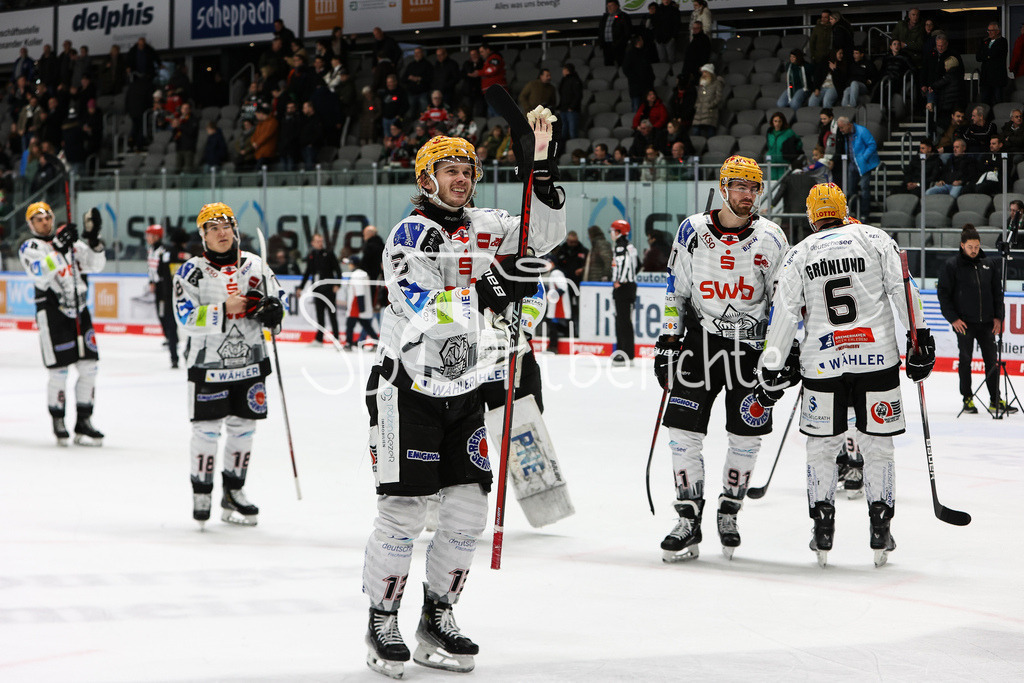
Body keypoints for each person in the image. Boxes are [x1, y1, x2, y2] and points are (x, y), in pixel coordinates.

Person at [361, 124, 565, 677]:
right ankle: (383, 618)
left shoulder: (487, 224)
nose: (461, 177)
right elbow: (426, 307)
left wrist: (540, 173)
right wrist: (496, 288)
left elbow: (539, 238)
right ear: (426, 178)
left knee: (467, 510)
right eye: (449, 169)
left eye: (468, 169)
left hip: (465, 387)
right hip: (406, 390)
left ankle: (438, 614)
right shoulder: (410, 234)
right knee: (403, 510)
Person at [756, 182, 936, 568]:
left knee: (821, 448)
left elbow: (783, 313)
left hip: (823, 365)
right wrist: (919, 338)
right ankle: (880, 527)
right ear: (844, 208)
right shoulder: (874, 238)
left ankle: (822, 526)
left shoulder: (799, 253)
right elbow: (903, 289)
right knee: (878, 447)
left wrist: (772, 365)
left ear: (810, 215)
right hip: (878, 361)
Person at [654, 155, 790, 562]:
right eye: (740, 187)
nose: (748, 195)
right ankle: (687, 517)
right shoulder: (692, 230)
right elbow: (675, 291)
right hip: (701, 344)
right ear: (724, 187)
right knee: (682, 434)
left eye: (754, 188)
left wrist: (781, 352)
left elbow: (782, 304)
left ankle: (729, 510)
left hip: (750, 351)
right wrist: (666, 340)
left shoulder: (772, 237)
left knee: (746, 436)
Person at [173, 202, 286, 529]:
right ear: (203, 235)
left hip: (250, 364)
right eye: (213, 228)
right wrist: (226, 307)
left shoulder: (256, 265)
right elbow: (185, 318)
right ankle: (202, 491)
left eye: (226, 226)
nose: (221, 233)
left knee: (244, 430)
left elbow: (278, 305)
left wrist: (274, 313)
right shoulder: (190, 271)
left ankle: (234, 491)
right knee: (206, 432)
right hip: (208, 365)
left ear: (235, 229)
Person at [19, 202, 107, 446]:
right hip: (52, 313)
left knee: (90, 367)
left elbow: (95, 265)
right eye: (38, 219)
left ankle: (84, 420)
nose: (44, 222)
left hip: (80, 311)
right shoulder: (30, 247)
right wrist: (57, 249)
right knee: (59, 370)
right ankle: (58, 419)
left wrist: (93, 240)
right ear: (31, 224)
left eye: (47, 217)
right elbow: (39, 273)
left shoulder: (69, 242)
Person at [937, 224, 1016, 415]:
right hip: (964, 324)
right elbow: (944, 295)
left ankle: (995, 399)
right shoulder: (952, 266)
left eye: (977, 246)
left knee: (992, 361)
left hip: (988, 323)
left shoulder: (988, 264)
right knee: (965, 360)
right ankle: (967, 399)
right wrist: (953, 319)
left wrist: (999, 318)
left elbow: (998, 294)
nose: (974, 250)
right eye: (970, 246)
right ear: (962, 245)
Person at [298, 232, 342, 346]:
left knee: (332, 314)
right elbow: (308, 272)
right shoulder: (312, 255)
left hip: (329, 289)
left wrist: (338, 284)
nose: (319, 243)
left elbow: (338, 270)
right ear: (312, 243)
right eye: (317, 241)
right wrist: (301, 287)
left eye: (321, 241)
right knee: (320, 315)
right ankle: (319, 339)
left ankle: (336, 338)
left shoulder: (329, 254)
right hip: (317, 289)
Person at [146, 224, 180, 368]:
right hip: (157, 286)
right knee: (160, 314)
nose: (147, 237)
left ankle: (172, 338)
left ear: (156, 236)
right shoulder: (151, 250)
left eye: (149, 235)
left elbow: (165, 270)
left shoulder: (164, 251)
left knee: (166, 316)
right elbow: (151, 269)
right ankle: (170, 337)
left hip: (165, 288)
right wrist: (151, 281)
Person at [837, 116, 879, 217]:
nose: (841, 130)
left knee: (864, 188)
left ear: (848, 125)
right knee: (851, 189)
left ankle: (865, 213)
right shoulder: (844, 134)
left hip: (864, 164)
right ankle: (854, 212)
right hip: (852, 164)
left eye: (842, 127)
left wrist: (864, 157)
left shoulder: (862, 131)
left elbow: (872, 145)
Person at [610, 220, 638, 366]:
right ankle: (626, 351)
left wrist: (619, 281)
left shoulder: (621, 247)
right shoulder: (630, 247)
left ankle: (624, 352)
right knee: (624, 320)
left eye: (613, 230)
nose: (611, 234)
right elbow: (637, 264)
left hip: (623, 288)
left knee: (623, 321)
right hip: (630, 287)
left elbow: (623, 264)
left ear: (619, 232)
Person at [340, 255, 379, 350]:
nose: (348, 265)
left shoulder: (357, 275)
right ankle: (376, 343)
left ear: (353, 264)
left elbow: (359, 291)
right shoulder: (361, 274)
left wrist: (361, 307)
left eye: (349, 263)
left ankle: (348, 344)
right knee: (366, 326)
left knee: (350, 325)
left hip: (356, 306)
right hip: (359, 305)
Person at [977, 22, 1009, 106]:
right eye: (988, 30)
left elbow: (994, 54)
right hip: (985, 78)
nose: (989, 32)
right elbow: (978, 57)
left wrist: (987, 55)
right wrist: (987, 56)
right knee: (984, 102)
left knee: (998, 100)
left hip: (997, 78)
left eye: (992, 30)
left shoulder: (1002, 41)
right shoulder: (985, 42)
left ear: (998, 31)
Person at [765, 111, 802, 181]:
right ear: (772, 122)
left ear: (783, 122)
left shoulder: (789, 133)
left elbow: (798, 143)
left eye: (779, 121)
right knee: (772, 183)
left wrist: (791, 154)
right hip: (772, 163)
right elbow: (768, 145)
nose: (777, 123)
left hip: (784, 162)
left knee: (783, 183)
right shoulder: (769, 132)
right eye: (775, 121)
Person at [598, 0, 632, 67]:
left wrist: (621, 42)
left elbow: (627, 31)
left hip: (619, 45)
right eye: (608, 6)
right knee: (608, 64)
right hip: (607, 45)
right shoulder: (605, 17)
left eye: (611, 6)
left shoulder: (623, 16)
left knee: (621, 63)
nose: (609, 8)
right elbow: (601, 30)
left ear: (617, 6)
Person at [690, 64, 721, 138]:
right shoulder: (702, 84)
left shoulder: (717, 83)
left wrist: (710, 105)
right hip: (699, 111)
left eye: (705, 72)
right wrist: (697, 105)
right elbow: (698, 97)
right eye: (703, 72)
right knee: (695, 131)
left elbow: (718, 97)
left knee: (710, 132)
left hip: (710, 112)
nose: (703, 74)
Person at [558, 63, 583, 142]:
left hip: (572, 110)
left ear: (566, 70)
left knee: (572, 132)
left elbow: (578, 95)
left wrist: (572, 107)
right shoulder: (564, 80)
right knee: (563, 132)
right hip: (564, 109)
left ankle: (574, 149)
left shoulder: (575, 80)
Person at [682, 20, 711, 86]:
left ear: (700, 28)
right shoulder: (694, 39)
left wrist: (702, 65)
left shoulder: (704, 39)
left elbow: (705, 54)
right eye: (693, 28)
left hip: (697, 67)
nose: (694, 30)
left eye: (696, 28)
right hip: (691, 66)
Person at [653, 0, 681, 64]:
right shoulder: (658, 9)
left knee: (671, 59)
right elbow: (655, 24)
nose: (666, 1)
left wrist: (673, 37)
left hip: (670, 38)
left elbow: (677, 25)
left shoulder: (674, 10)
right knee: (662, 59)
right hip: (659, 38)